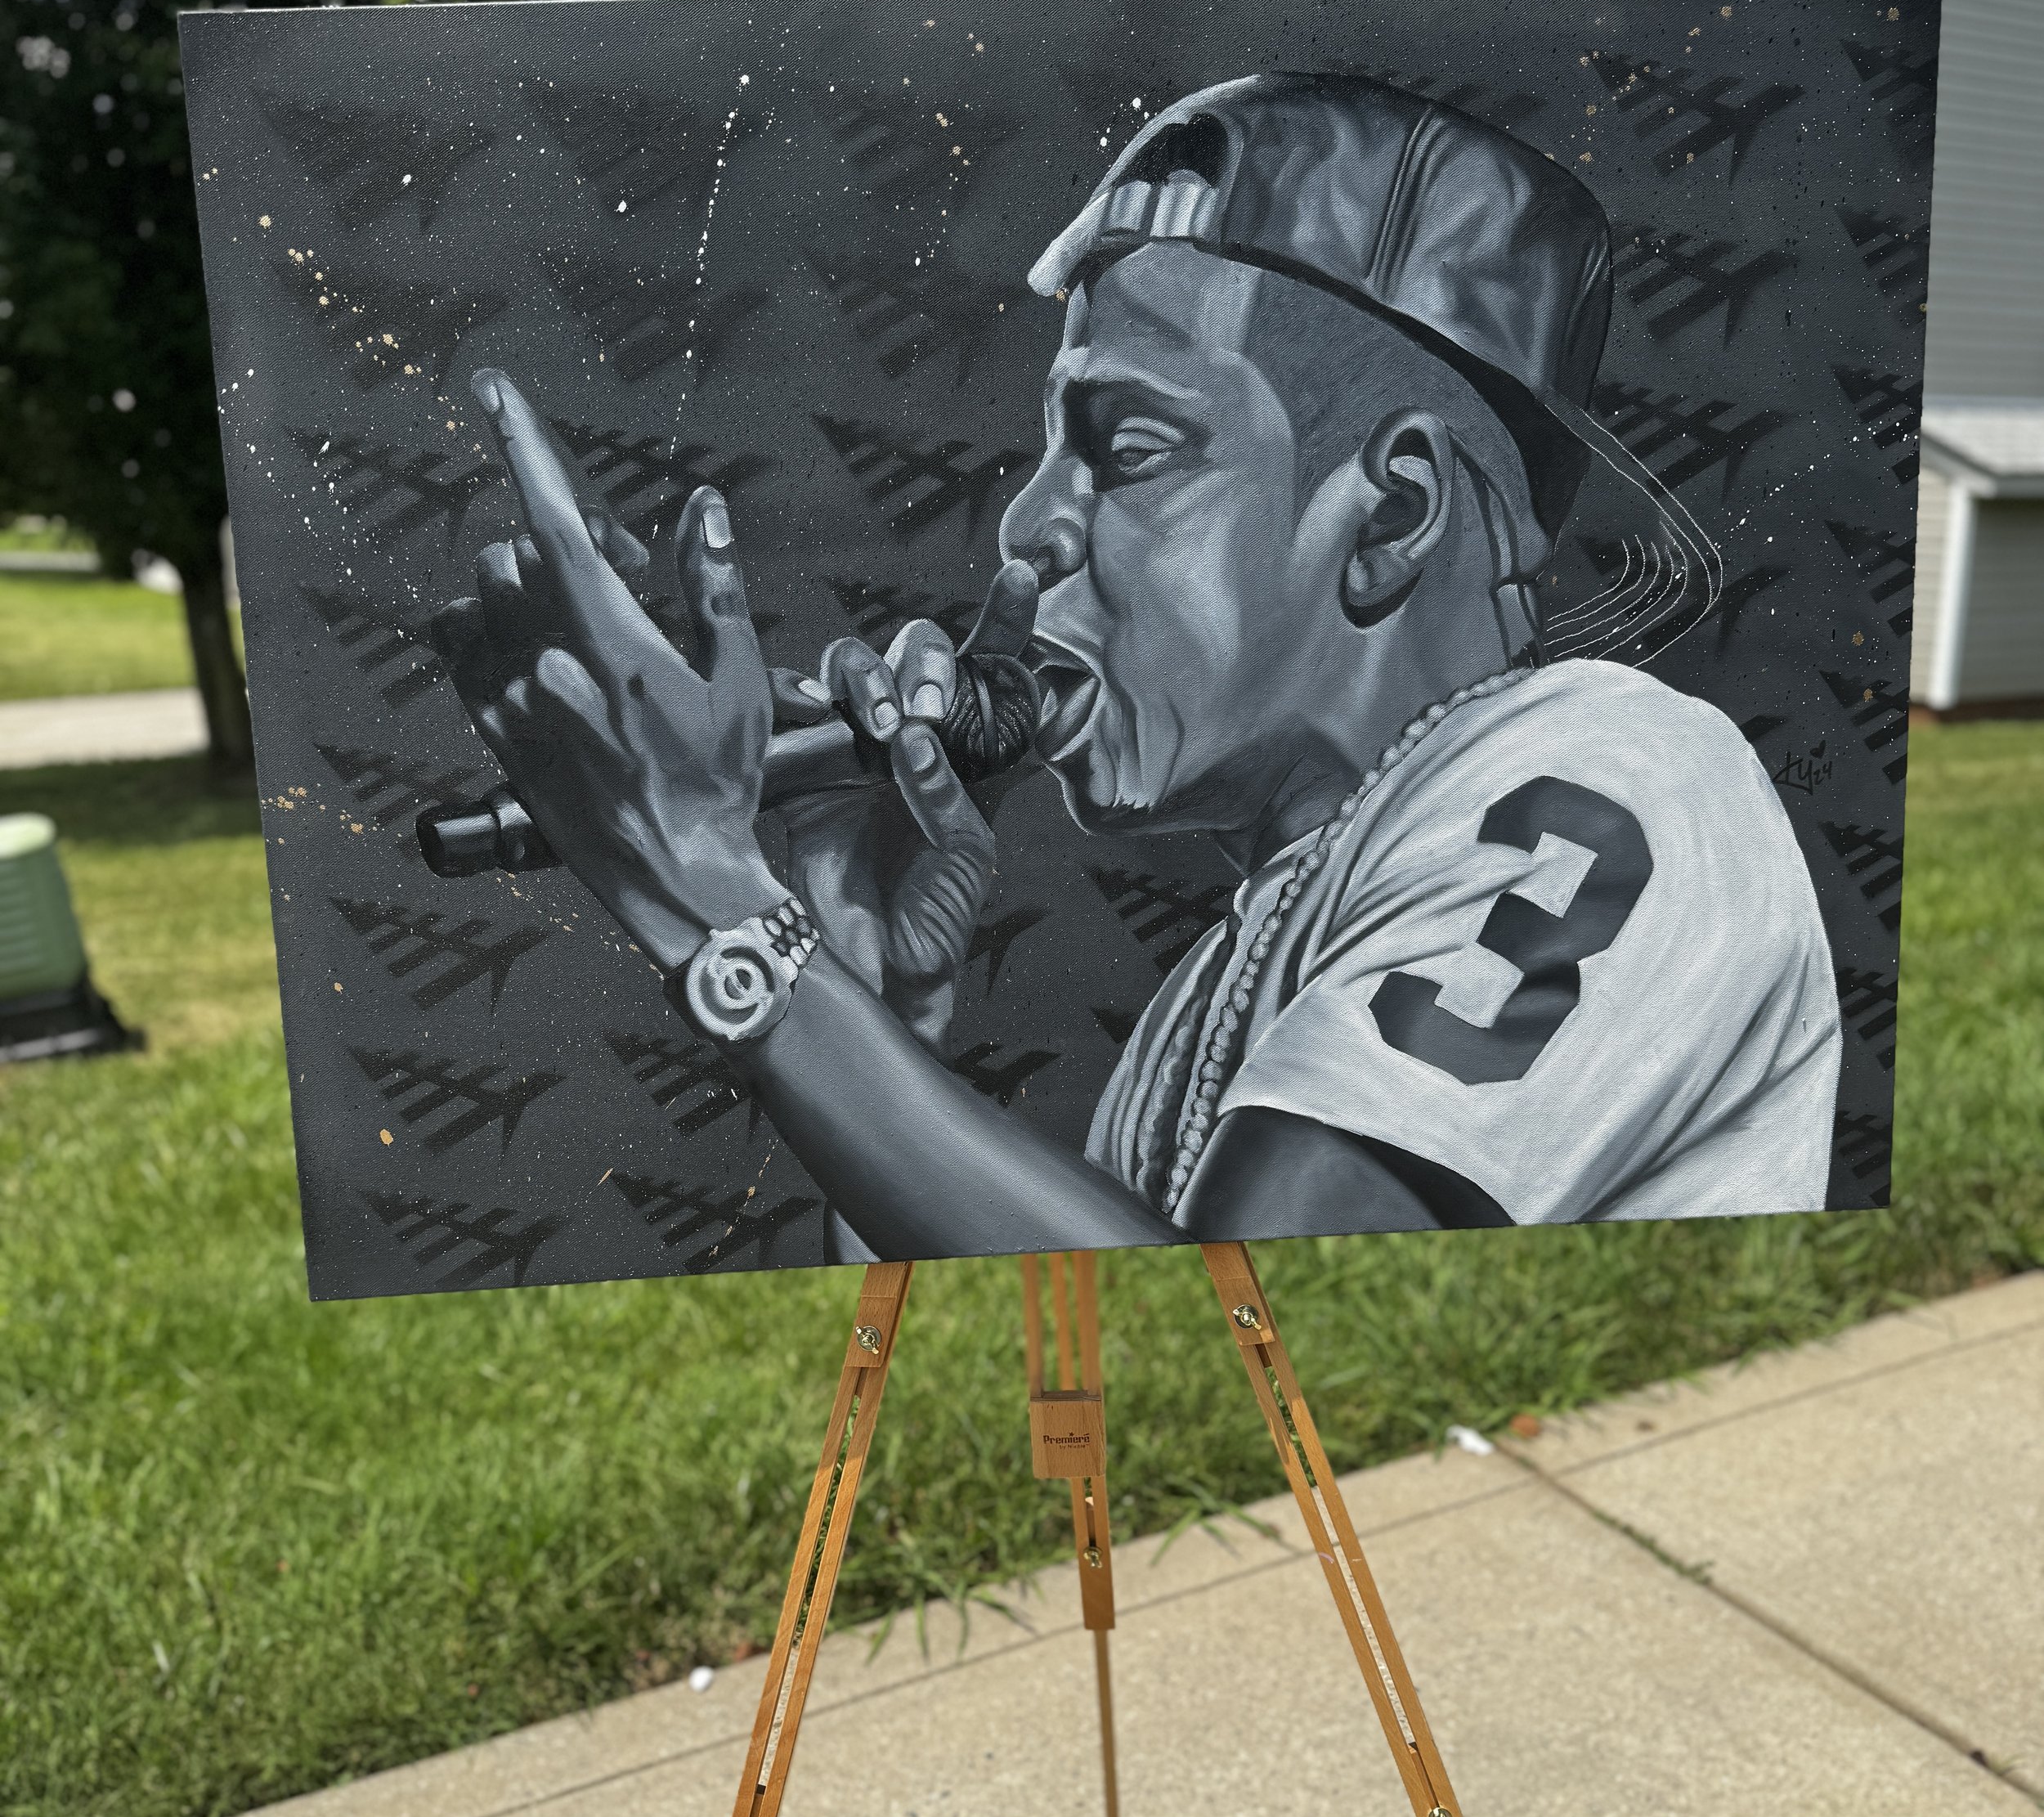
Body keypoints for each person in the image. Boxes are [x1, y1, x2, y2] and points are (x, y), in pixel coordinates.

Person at [433, 73, 1841, 1262]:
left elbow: (1253, 1347)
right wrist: (864, 1005)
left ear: (1395, 511)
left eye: (1130, 448)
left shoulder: (1619, 780)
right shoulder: (1241, 968)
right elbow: (1096, 1377)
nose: (1029, 523)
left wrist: (720, 911)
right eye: (1051, 448)